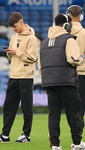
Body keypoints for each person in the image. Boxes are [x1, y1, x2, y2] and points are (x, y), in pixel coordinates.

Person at [0, 12, 40, 143]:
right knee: (8, 107)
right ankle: (5, 135)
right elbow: (12, 57)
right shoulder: (13, 37)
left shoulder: (32, 39)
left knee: (26, 108)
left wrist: (16, 52)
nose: (13, 28)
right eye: (11, 26)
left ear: (21, 22)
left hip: (25, 76)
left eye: (15, 25)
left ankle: (26, 135)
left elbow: (32, 58)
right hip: (13, 75)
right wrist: (11, 53)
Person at [38, 13, 84, 150]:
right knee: (74, 113)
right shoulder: (68, 39)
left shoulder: (44, 42)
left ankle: (56, 145)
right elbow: (73, 59)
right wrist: (80, 59)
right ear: (65, 25)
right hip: (66, 81)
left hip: (49, 82)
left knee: (54, 115)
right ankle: (76, 143)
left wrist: (46, 79)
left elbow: (40, 66)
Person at [67, 4, 85, 141]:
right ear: (81, 15)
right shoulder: (84, 33)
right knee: (80, 106)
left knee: (60, 106)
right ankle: (77, 138)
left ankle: (54, 134)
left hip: (65, 72)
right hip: (82, 72)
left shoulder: (64, 32)